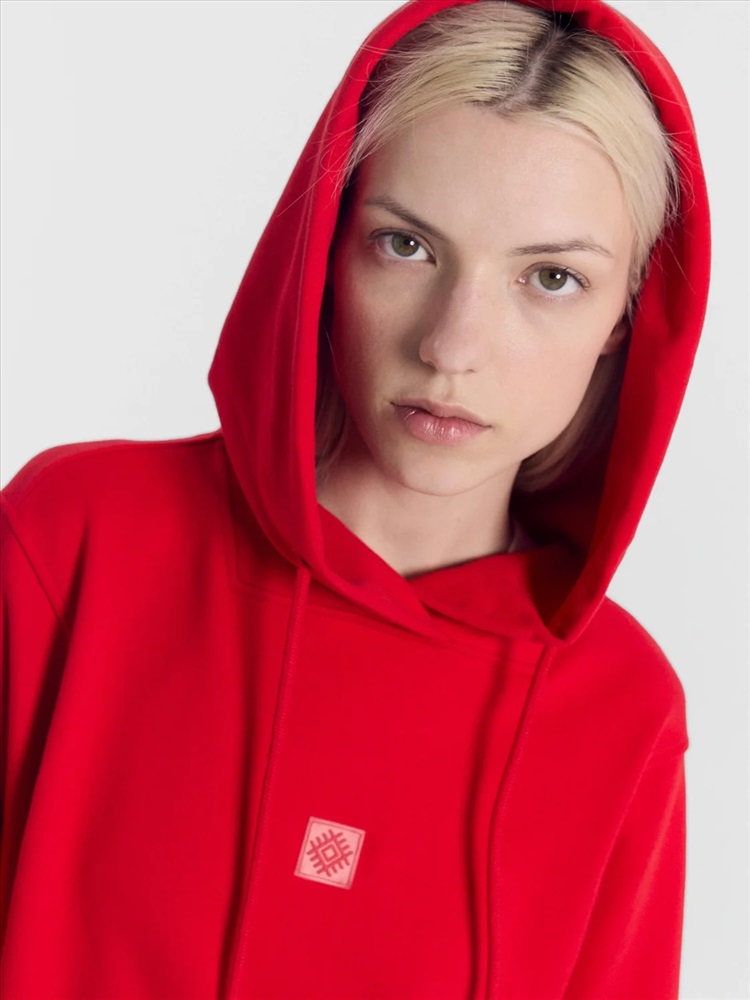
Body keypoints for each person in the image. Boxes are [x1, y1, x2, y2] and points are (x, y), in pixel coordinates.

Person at [0, 0, 710, 997]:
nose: (451, 346)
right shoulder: (78, 539)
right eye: (406, 246)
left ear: (623, 321)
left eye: (551, 277)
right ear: (326, 247)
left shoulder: (622, 711)